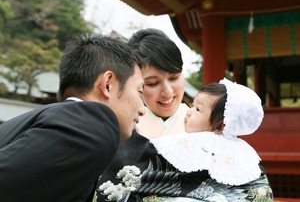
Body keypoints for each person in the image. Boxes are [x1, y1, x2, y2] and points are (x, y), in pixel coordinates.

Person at [0, 34, 146, 202]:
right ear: (107, 84)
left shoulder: (59, 118)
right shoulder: (93, 125)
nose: (142, 110)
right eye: (140, 92)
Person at [98, 79, 274, 201]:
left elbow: (144, 158)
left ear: (220, 126)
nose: (189, 111)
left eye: (198, 109)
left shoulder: (196, 143)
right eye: (192, 105)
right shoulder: (246, 153)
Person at [96, 28, 189, 201]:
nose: (168, 92)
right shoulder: (123, 129)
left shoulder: (206, 125)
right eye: (152, 83)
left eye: (174, 77)